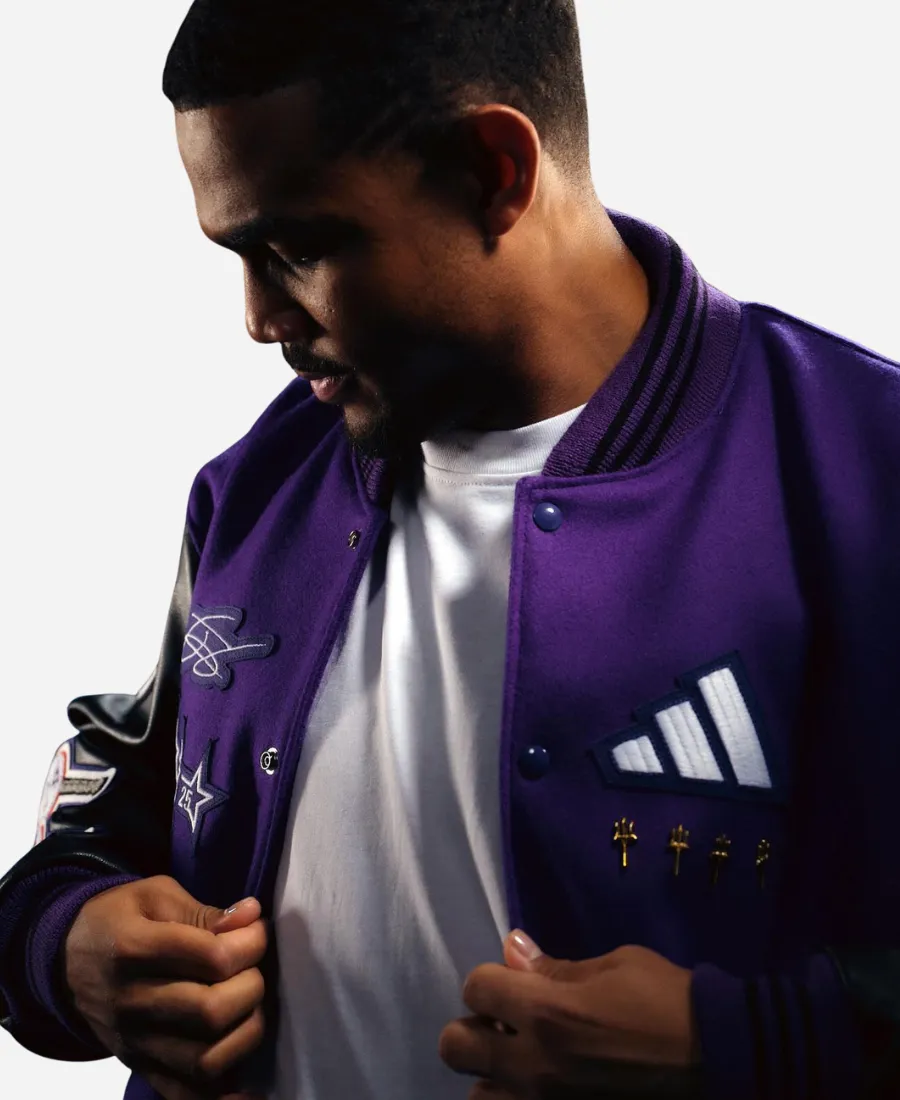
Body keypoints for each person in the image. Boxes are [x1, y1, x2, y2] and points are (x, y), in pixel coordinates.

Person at [1, 0, 898, 1097]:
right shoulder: (255, 484)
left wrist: (749, 1042)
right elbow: (119, 784)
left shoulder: (866, 475)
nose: (258, 318)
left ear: (491, 173)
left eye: (297, 247)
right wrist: (61, 934)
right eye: (238, 254)